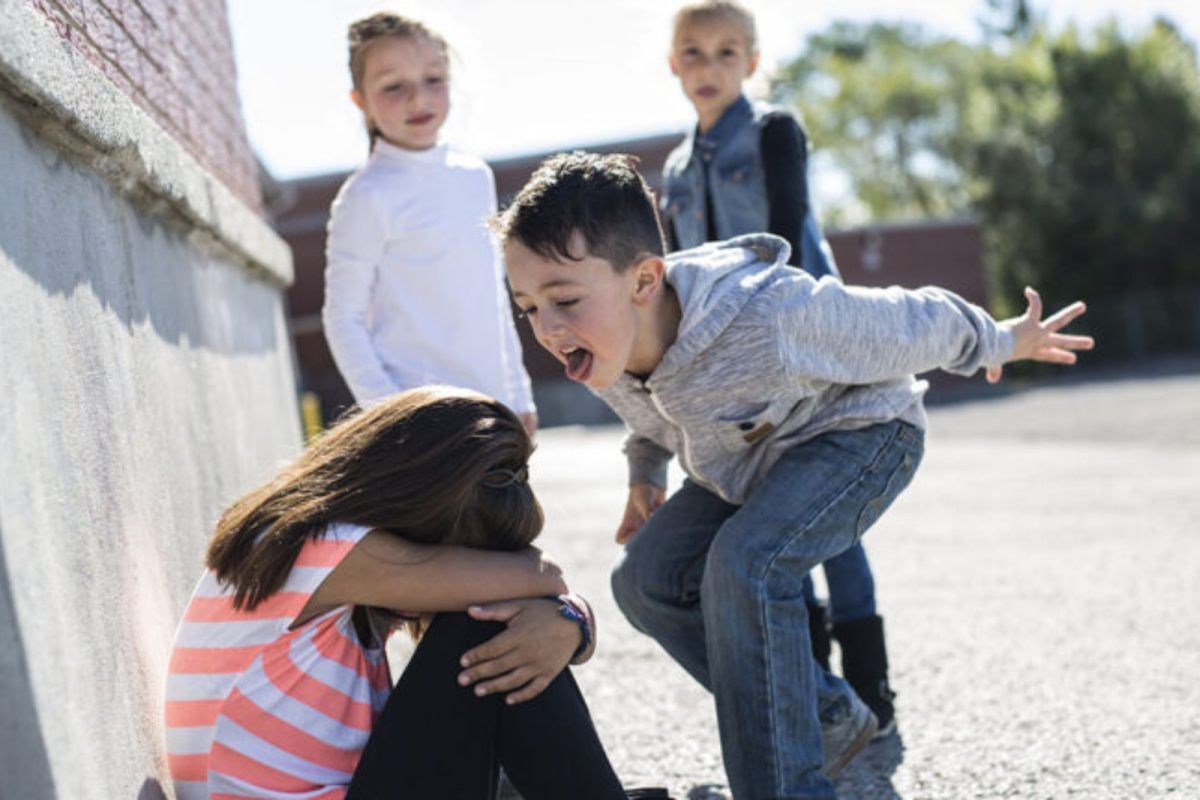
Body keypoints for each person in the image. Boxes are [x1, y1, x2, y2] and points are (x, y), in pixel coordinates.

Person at [495, 152, 1093, 799]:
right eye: (527, 307)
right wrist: (645, 475)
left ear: (644, 281)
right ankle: (825, 717)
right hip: (749, 463)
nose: (547, 329)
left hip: (861, 435)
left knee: (745, 565)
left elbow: (909, 320)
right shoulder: (605, 342)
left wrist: (1003, 341)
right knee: (644, 579)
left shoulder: (768, 317)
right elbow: (651, 416)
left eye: (563, 300)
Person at [163, 386, 651, 800]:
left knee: (507, 636)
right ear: (416, 506)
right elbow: (544, 578)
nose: (461, 579)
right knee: (485, 624)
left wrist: (570, 623)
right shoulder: (324, 547)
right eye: (463, 558)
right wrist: (566, 616)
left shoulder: (311, 547)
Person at [657, 0, 896, 733]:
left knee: (832, 526)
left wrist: (791, 332)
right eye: (693, 53)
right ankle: (821, 697)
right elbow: (676, 274)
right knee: (769, 521)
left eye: (728, 53)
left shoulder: (773, 131)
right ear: (674, 64)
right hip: (728, 370)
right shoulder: (673, 167)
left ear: (753, 63)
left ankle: (871, 690)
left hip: (804, 350)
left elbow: (789, 232)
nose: (709, 67)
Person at [322, 13, 536, 435]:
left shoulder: (475, 176)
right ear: (360, 101)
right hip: (421, 423)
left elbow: (493, 297)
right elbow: (342, 318)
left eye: (433, 79)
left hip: (494, 410)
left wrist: (519, 394)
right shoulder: (366, 196)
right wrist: (391, 413)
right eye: (392, 87)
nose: (417, 98)